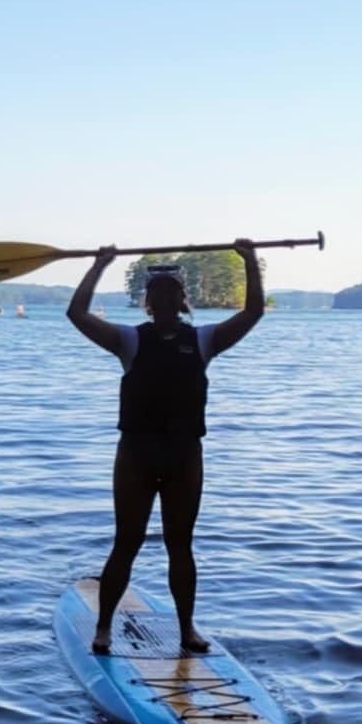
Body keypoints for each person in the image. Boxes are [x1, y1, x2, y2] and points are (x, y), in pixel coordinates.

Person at [67, 242, 264, 654]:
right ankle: (103, 628)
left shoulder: (204, 340)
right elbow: (77, 314)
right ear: (148, 302)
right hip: (137, 454)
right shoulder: (129, 340)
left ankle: (187, 629)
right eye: (157, 294)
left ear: (181, 300)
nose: (164, 300)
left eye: (171, 293)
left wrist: (249, 262)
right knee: (127, 541)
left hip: (184, 456)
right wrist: (100, 265)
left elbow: (252, 313)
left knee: (180, 544)